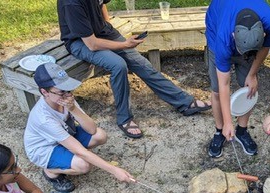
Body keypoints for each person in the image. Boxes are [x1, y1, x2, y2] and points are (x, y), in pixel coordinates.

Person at [57, 0, 210, 139]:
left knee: (141, 63)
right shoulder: (72, 3)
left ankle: (184, 103)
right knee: (118, 65)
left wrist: (106, 26)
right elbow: (92, 44)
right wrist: (123, 45)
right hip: (80, 42)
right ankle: (124, 118)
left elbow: (102, 4)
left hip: (101, 33)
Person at [24, 63, 136, 193]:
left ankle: (67, 157)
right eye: (61, 92)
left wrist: (73, 109)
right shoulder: (43, 118)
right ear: (44, 92)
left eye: (68, 90)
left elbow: (92, 130)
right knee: (83, 165)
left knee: (100, 135)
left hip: (65, 137)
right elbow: (80, 151)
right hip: (45, 149)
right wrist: (114, 170)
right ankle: (50, 171)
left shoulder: (65, 99)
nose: (67, 95)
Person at [205, 0, 270, 157]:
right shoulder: (223, 38)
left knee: (249, 88)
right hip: (216, 26)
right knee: (218, 91)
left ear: (263, 33)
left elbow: (266, 47)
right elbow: (224, 83)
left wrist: (252, 74)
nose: (244, 56)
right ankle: (219, 132)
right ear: (233, 35)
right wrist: (227, 122)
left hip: (242, 34)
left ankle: (242, 131)